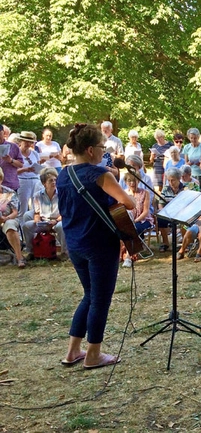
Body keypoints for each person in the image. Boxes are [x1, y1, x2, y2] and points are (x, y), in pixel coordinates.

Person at [57, 123, 135, 369]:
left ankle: (73, 352)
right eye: (102, 147)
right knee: (100, 299)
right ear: (90, 150)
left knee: (89, 295)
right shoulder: (100, 174)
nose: (105, 151)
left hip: (75, 243)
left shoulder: (63, 174)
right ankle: (93, 355)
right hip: (99, 244)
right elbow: (129, 203)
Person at [22, 168, 66, 260]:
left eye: (55, 180)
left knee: (61, 227)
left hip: (58, 220)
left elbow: (65, 213)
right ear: (44, 183)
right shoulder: (38, 195)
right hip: (44, 221)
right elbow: (37, 213)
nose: (54, 182)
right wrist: (37, 221)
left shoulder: (62, 194)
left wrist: (55, 221)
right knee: (26, 225)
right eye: (50, 181)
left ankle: (64, 253)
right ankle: (31, 252)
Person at [120, 172, 153, 268]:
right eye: (129, 181)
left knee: (133, 230)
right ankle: (120, 253)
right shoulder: (124, 193)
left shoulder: (145, 192)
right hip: (128, 220)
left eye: (134, 180)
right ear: (125, 182)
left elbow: (146, 212)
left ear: (138, 181)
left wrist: (135, 221)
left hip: (143, 220)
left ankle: (128, 258)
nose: (132, 183)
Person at [0, 167, 26, 267]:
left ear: (1, 179)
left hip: (8, 218)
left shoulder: (9, 193)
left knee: (10, 225)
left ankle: (19, 258)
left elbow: (15, 212)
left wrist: (6, 218)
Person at [157, 167, 185, 252]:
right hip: (168, 213)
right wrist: (162, 211)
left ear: (179, 179)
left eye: (173, 180)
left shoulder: (185, 188)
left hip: (182, 213)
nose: (170, 183)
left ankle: (184, 243)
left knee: (184, 219)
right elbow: (160, 203)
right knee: (160, 218)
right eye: (168, 180)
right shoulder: (166, 188)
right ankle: (165, 243)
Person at [16, 131, 42, 218]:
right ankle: (22, 228)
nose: (28, 144)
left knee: (37, 206)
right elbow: (13, 171)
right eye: (26, 142)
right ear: (21, 141)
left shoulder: (34, 153)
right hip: (23, 181)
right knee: (23, 205)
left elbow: (38, 165)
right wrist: (25, 169)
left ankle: (34, 227)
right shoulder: (16, 153)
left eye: (30, 142)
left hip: (35, 180)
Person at [0, 125, 24, 191]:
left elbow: (21, 164)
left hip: (10, 184)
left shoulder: (13, 146)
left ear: (3, 133)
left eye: (0, 134)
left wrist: (10, 160)